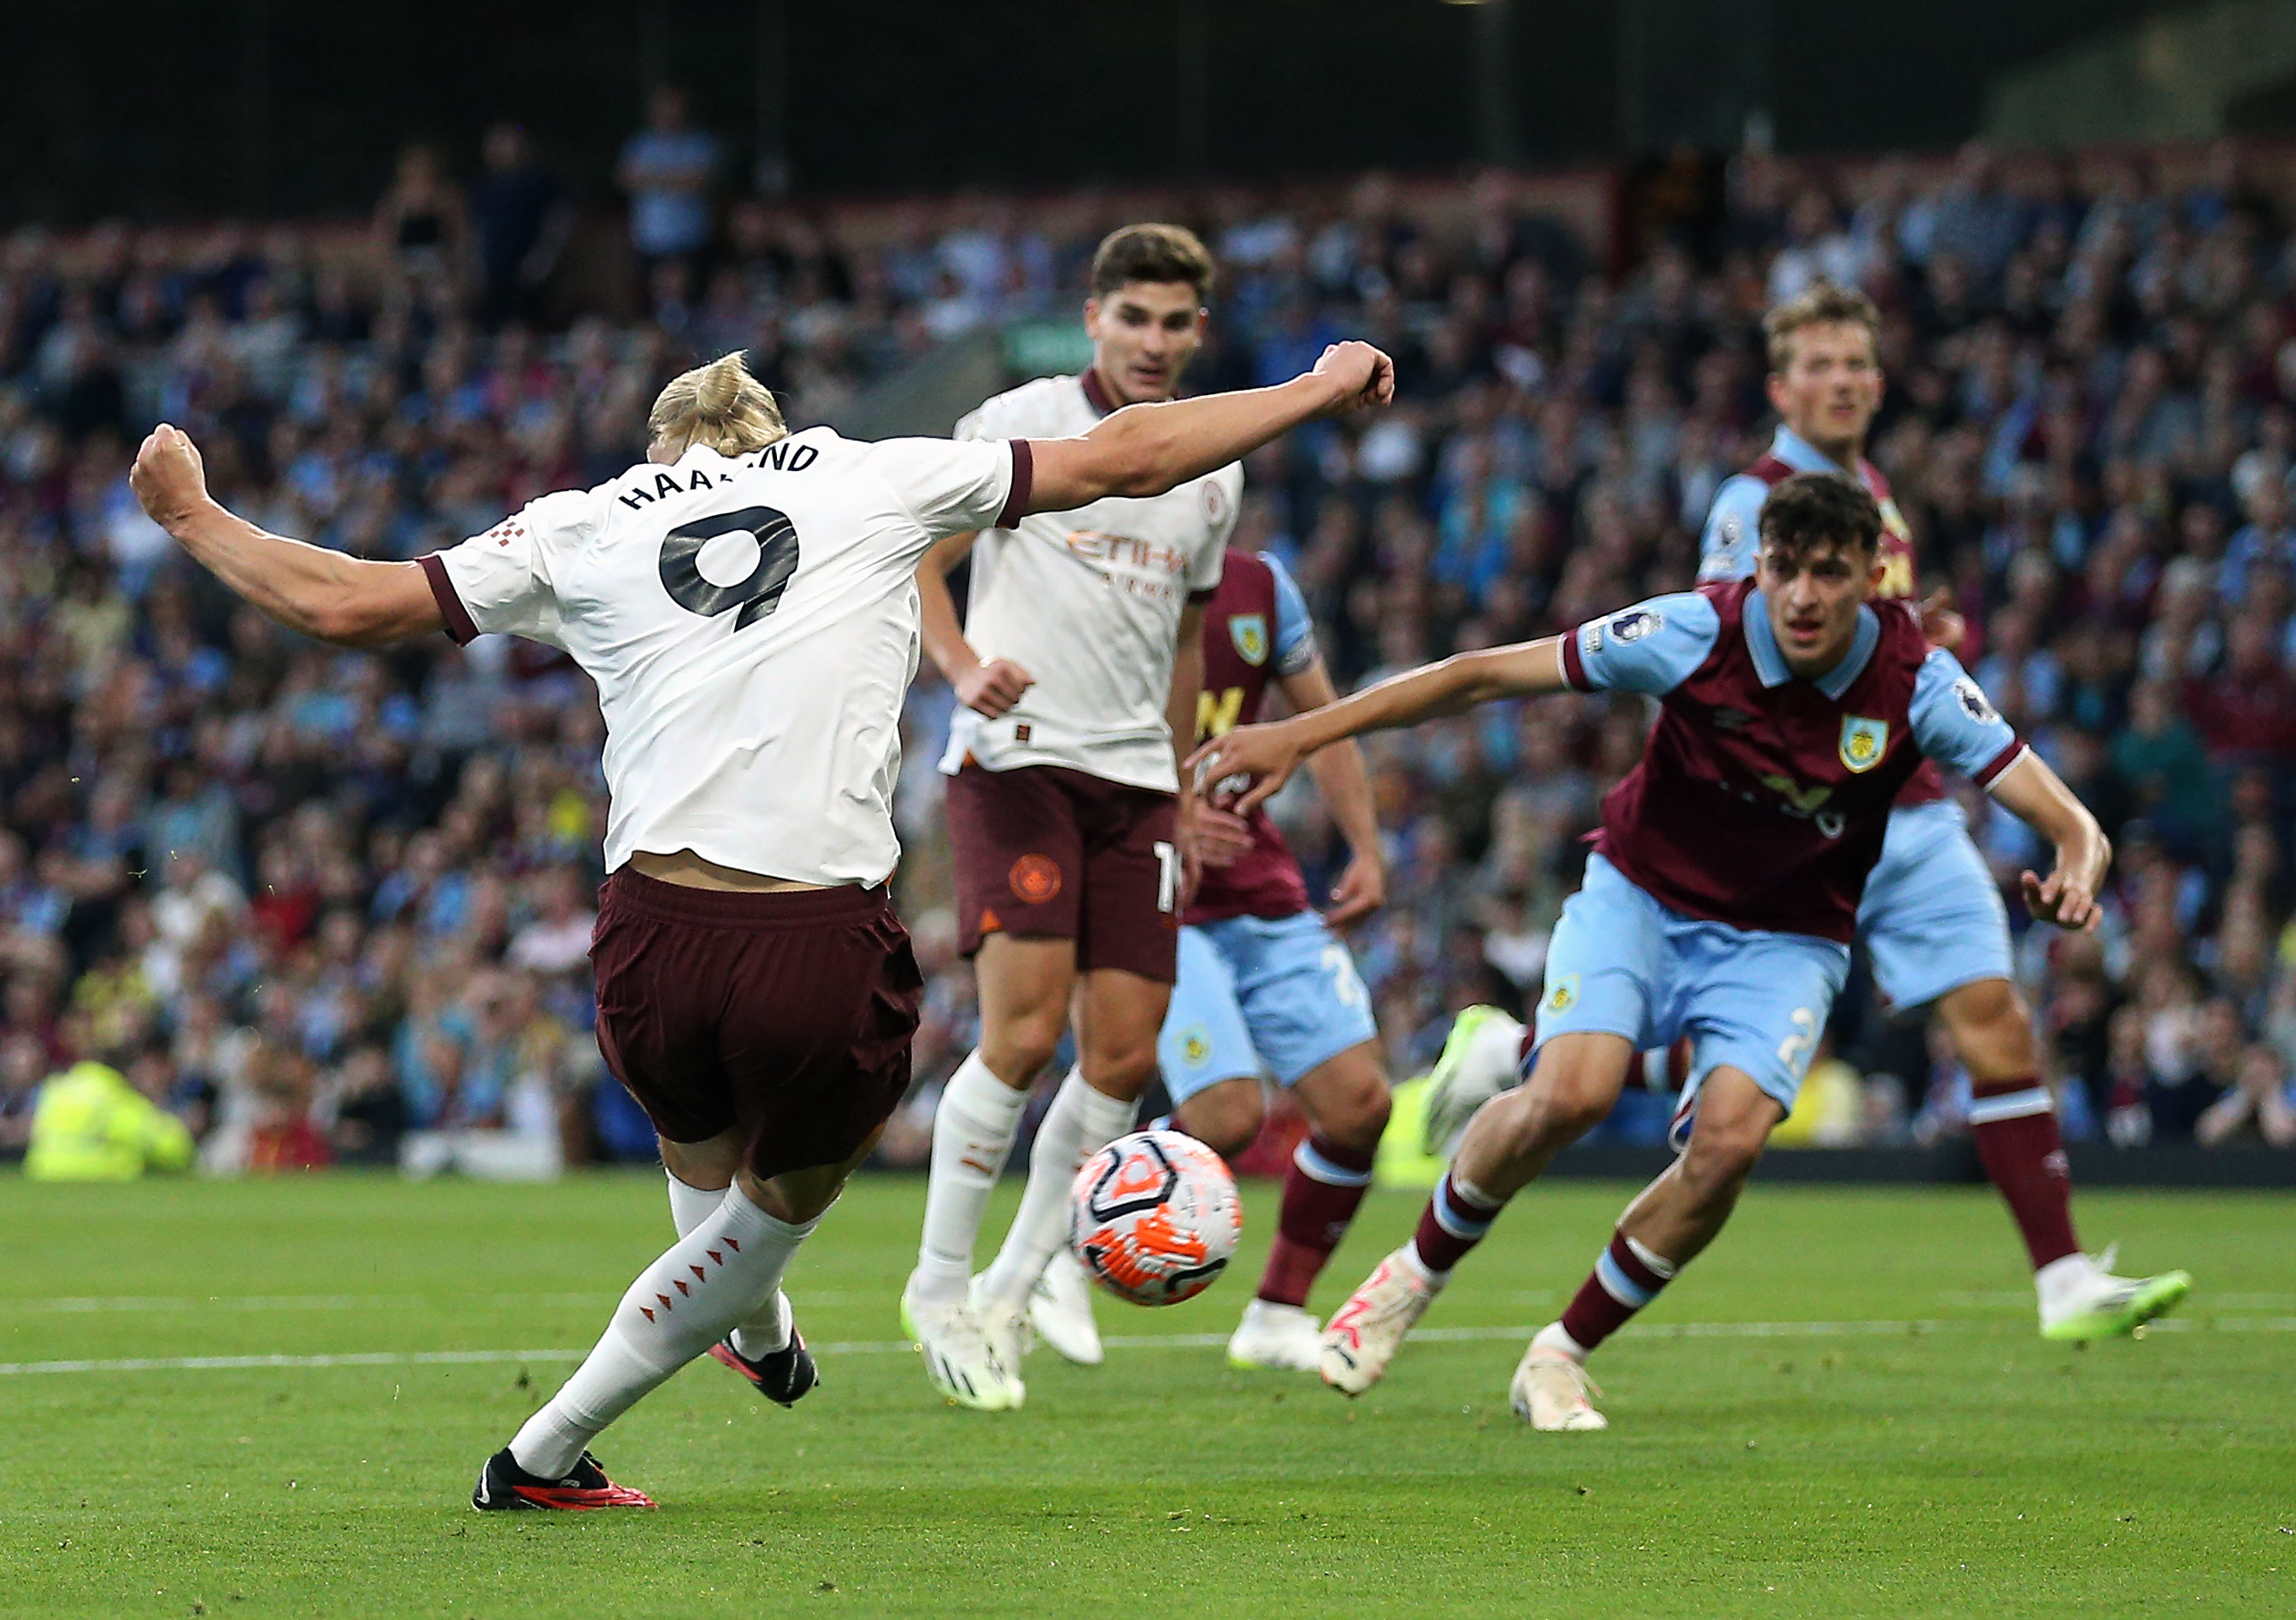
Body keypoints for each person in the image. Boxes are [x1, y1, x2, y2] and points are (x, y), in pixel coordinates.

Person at [129, 340, 1395, 1502]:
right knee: (777, 1206)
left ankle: (756, 1330)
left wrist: (190, 510)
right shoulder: (867, 477)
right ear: (772, 430)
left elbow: (346, 604)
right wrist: (1315, 389)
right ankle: (545, 1451)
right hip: (811, 941)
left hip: (646, 942)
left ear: (659, 445)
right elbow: (1127, 455)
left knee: (705, 1154)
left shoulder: (581, 521)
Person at [1193, 474, 2153, 1431]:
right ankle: (1409, 1279)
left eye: (1829, 573)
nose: (1804, 597)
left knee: (1729, 1143)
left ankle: (1560, 1355)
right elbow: (1479, 675)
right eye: (1785, 570)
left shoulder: (1919, 680)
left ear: (1874, 578)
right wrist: (1299, 733)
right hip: (1641, 900)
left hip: (1787, 937)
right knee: (1571, 1094)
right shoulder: (1696, 630)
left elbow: (2062, 811)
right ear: (1759, 567)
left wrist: (2077, 861)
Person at [1421, 281, 2190, 1345]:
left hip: (1903, 805)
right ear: (1783, 384)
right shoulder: (1757, 499)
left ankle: (2062, 1278)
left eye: (1856, 364)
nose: (1843, 382)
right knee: (1728, 1029)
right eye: (1819, 365)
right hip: (1789, 811)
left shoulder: (1872, 491)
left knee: (1995, 1020)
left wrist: (1922, 630)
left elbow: (1873, 639)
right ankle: (1522, 1056)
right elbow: (1741, 653)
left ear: (1879, 379)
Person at [900, 224, 1257, 1412]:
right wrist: (957, 671)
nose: (1154, 342)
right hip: (1017, 756)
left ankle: (1010, 1292)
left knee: (1119, 1055)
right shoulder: (1023, 422)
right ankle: (939, 1285)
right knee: (1020, 1031)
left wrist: (1186, 769)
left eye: (1175, 323)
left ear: (1198, 332)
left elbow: (1190, 631)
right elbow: (920, 559)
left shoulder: (1215, 465)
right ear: (1094, 317)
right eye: (1134, 319)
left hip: (1138, 780)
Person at [1145, 544, 1393, 1373]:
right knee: (1225, 1120)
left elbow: (1321, 722)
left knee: (1361, 1104)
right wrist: (1164, 817)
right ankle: (1082, 1214)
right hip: (1152, 887)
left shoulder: (1262, 586)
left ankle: (1279, 1311)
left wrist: (1364, 845)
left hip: (1257, 883)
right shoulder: (1105, 576)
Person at [617, 85, 719, 286]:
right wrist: (676, 178)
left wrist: (651, 178)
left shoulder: (701, 143)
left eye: (674, 106)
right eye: (663, 106)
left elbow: (700, 181)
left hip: (690, 239)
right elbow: (624, 179)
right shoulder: (640, 144)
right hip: (649, 240)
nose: (669, 112)